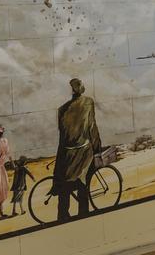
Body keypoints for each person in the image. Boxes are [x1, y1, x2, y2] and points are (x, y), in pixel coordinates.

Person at [54, 78, 101, 221]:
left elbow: (62, 135)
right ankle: (83, 212)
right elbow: (91, 126)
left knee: (64, 183)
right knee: (83, 181)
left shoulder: (62, 109)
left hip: (67, 151)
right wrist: (97, 145)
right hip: (83, 150)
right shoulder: (88, 102)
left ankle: (63, 215)